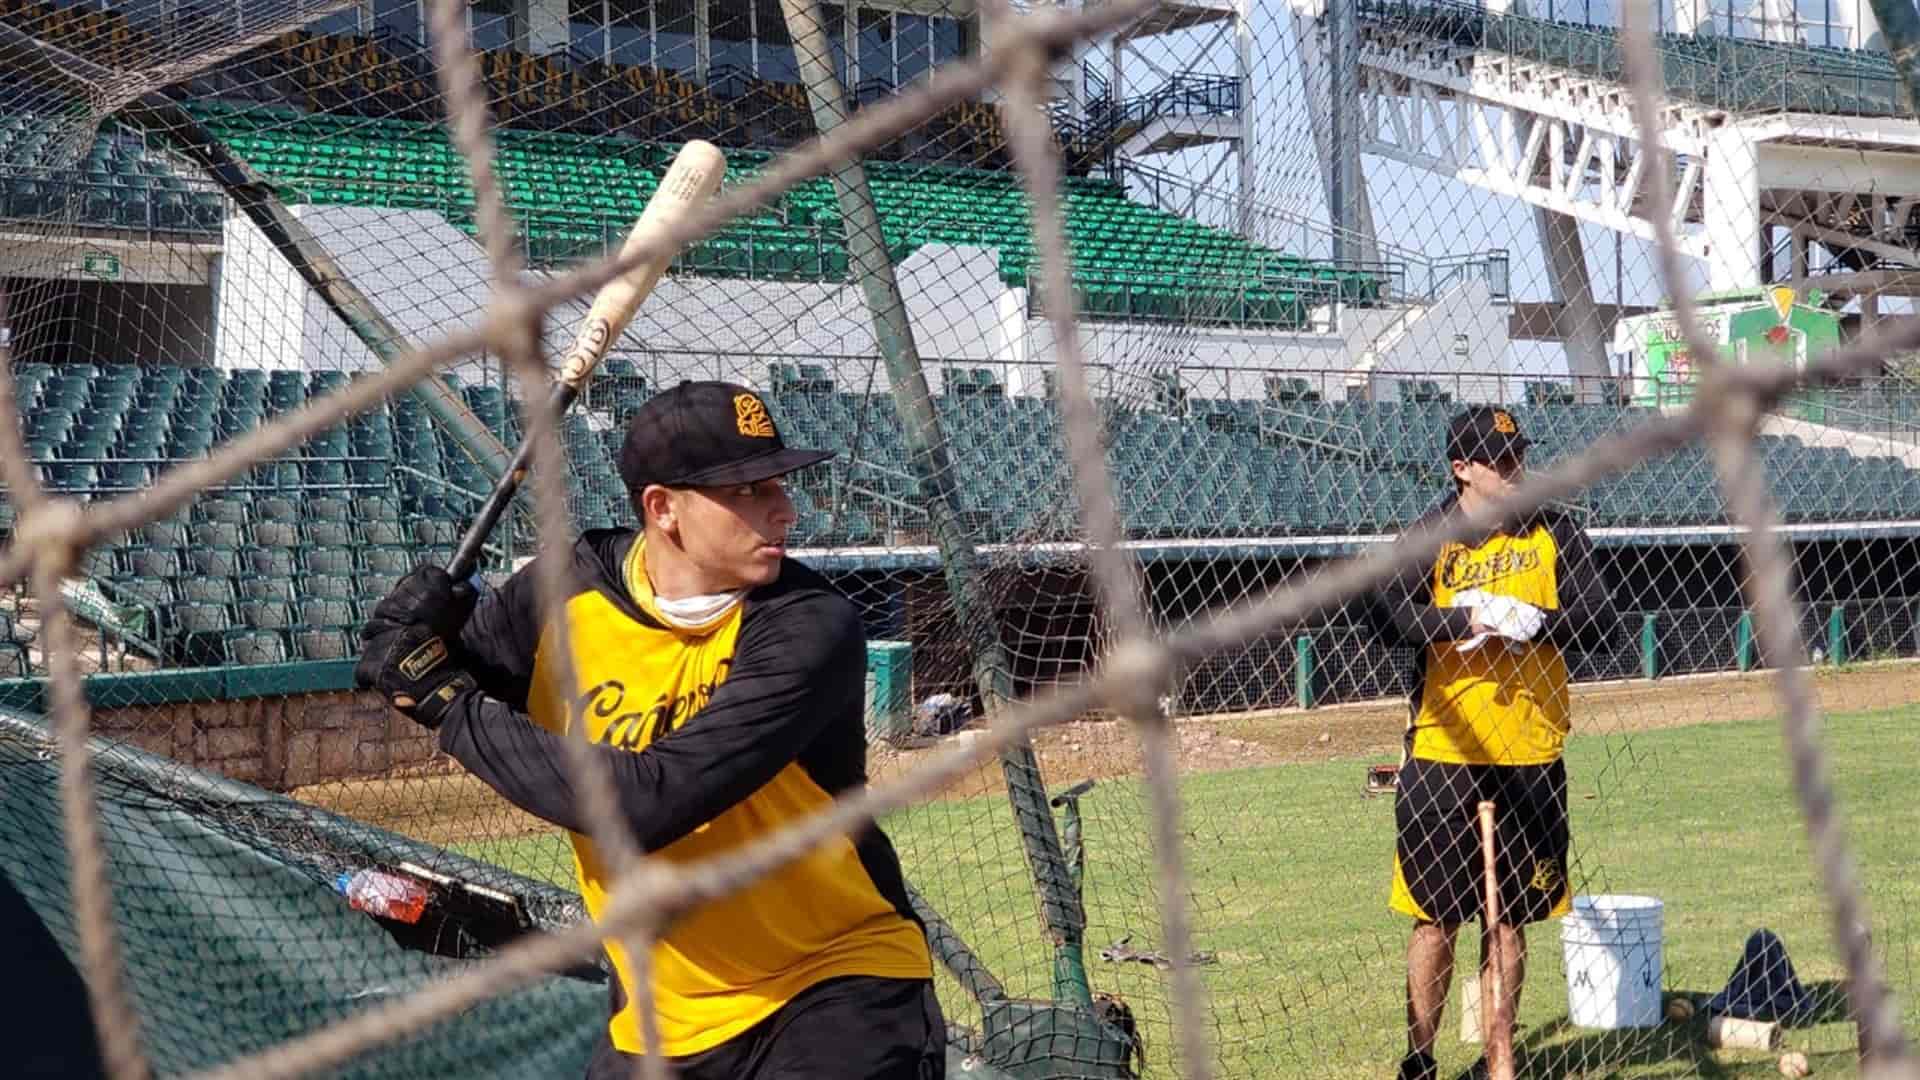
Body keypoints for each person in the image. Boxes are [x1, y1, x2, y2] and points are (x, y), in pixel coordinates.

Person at [354, 380, 944, 1079]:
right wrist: (405, 639)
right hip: (659, 1012)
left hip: (831, 981)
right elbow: (411, 680)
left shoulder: (808, 625)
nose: (785, 510)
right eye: (748, 491)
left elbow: (647, 804)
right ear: (663, 509)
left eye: (779, 483)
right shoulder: (560, 596)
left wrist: (447, 703)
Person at [1372, 405, 1619, 1080]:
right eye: (1499, 462)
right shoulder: (1431, 535)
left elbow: (1601, 622)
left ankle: (1495, 1058)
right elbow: (1385, 613)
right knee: (1434, 919)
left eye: (1519, 458)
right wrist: (1466, 615)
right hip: (1445, 752)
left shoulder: (1556, 530)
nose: (1516, 473)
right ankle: (1419, 1059)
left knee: (1509, 920)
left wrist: (1535, 622)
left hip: (1530, 753)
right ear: (1462, 469)